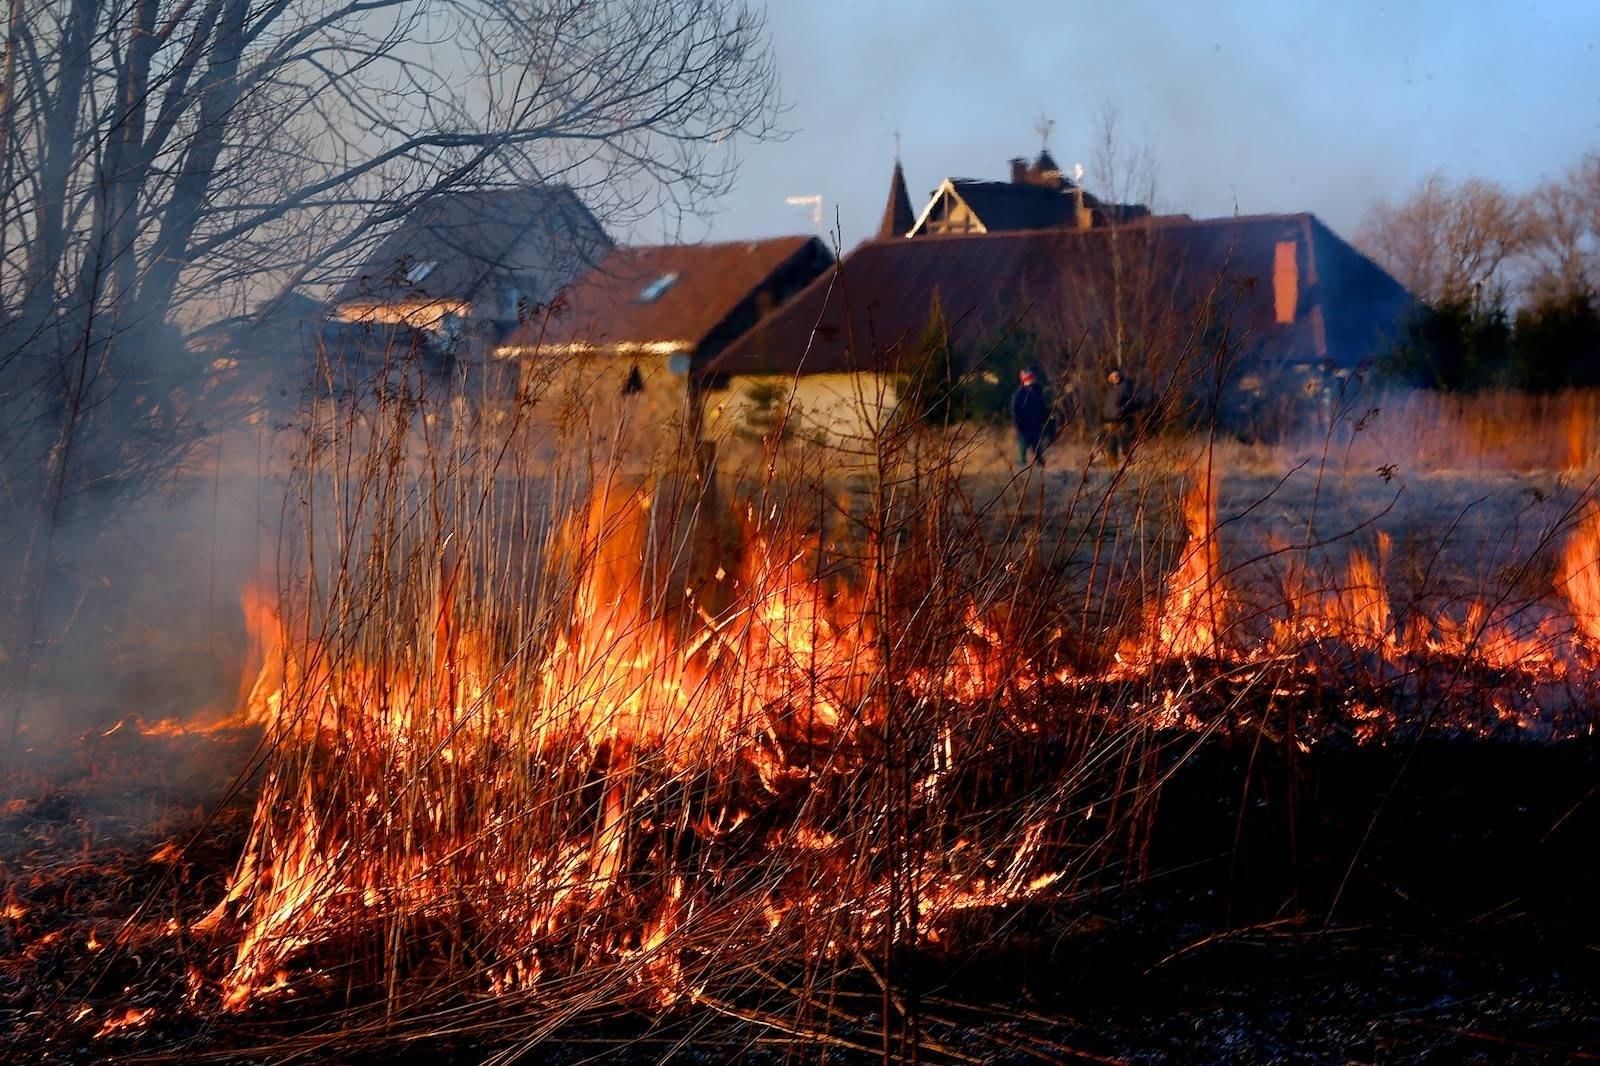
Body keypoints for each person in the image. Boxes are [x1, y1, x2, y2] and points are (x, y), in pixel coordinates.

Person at [1010, 367, 1049, 467]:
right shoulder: (1018, 394)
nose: (1031, 381)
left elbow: (1042, 408)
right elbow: (1015, 411)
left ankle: (1041, 467)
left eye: (1031, 378)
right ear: (1023, 380)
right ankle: (1021, 470)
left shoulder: (1037, 392)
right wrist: (1017, 425)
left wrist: (1045, 419)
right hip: (1023, 426)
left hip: (1035, 426)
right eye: (1028, 378)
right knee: (1022, 450)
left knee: (1037, 449)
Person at [1100, 367, 1137, 463]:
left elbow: (1131, 402)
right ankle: (1113, 465)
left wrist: (1122, 411)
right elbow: (1108, 405)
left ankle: (1129, 465)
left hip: (1122, 421)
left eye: (1117, 375)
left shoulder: (1125, 387)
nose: (1115, 378)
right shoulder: (1111, 390)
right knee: (1111, 445)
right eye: (1113, 376)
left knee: (1125, 443)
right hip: (1110, 421)